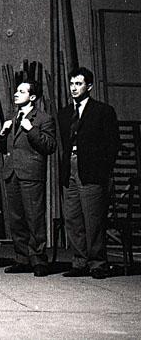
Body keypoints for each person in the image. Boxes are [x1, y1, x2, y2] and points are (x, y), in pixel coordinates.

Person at [58, 67, 119, 279]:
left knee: (93, 218)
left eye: (79, 84)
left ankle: (98, 263)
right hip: (70, 168)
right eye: (71, 84)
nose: (74, 88)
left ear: (89, 86)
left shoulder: (103, 111)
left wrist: (102, 169)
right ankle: (80, 262)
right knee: (73, 217)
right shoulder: (65, 113)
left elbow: (113, 144)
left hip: (92, 170)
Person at [0, 81, 56, 277]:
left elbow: (49, 146)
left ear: (32, 97)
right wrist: (2, 134)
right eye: (16, 90)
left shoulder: (44, 118)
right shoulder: (11, 117)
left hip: (31, 174)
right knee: (16, 219)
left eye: (21, 91)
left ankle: (38, 259)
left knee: (34, 218)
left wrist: (31, 129)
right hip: (12, 173)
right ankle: (22, 258)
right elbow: (4, 148)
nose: (16, 94)